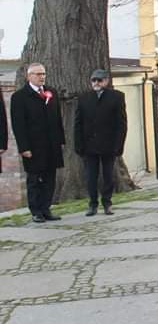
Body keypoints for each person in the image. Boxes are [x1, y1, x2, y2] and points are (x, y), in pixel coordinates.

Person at [10, 63, 65, 223]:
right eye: (38, 74)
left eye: (44, 74)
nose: (42, 77)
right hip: (33, 146)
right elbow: (18, 125)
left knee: (50, 178)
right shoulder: (20, 97)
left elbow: (57, 118)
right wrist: (24, 147)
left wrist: (60, 140)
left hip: (51, 145)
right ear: (29, 76)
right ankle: (36, 211)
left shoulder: (51, 93)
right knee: (34, 179)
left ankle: (46, 208)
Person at [73, 69, 127, 216]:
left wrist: (119, 145)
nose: (96, 83)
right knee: (91, 176)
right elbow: (78, 123)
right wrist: (78, 144)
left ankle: (107, 203)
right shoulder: (84, 98)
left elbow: (121, 123)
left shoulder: (116, 97)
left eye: (99, 80)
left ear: (106, 81)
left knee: (108, 175)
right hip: (89, 145)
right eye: (93, 80)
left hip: (108, 144)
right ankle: (92, 203)